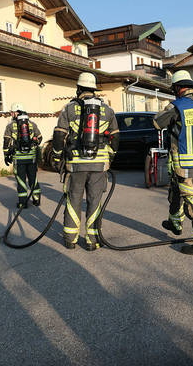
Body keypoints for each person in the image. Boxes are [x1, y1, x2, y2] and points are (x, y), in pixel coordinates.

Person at [51, 72, 119, 251]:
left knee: (73, 200)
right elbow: (115, 137)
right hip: (99, 164)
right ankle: (92, 240)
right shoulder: (107, 110)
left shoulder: (69, 108)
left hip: (75, 164)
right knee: (95, 201)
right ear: (94, 89)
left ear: (78, 88)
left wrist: (57, 157)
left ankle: (70, 239)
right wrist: (110, 155)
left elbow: (59, 135)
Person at [154, 70, 193, 255]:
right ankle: (175, 221)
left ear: (178, 88)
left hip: (184, 161)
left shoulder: (177, 106)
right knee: (176, 190)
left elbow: (157, 123)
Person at [3, 103, 43, 208]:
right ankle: (36, 199)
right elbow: (40, 138)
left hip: (19, 159)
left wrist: (6, 155)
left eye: (12, 112)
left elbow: (6, 141)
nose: (11, 114)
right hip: (32, 158)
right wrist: (33, 143)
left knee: (21, 181)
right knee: (33, 179)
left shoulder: (10, 126)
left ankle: (23, 203)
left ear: (16, 112)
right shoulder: (32, 124)